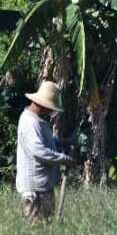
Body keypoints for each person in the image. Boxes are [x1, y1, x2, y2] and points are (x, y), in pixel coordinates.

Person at [16, 81, 74, 224]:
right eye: (49, 107)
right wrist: (62, 158)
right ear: (41, 104)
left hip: (44, 187)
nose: (50, 111)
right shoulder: (30, 122)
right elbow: (38, 151)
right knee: (36, 231)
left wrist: (63, 143)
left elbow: (47, 143)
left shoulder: (38, 121)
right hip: (34, 190)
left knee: (46, 230)